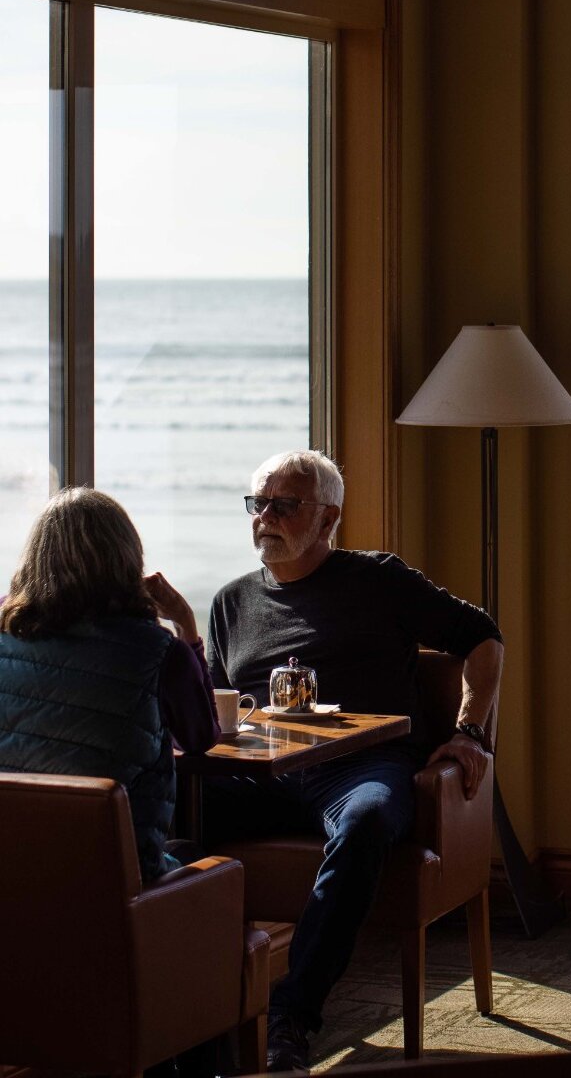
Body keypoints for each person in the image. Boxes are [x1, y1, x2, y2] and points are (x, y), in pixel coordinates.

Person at [205, 450, 504, 1073]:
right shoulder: (231, 603)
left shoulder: (376, 580)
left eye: (284, 506)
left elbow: (481, 636)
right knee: (159, 814)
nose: (266, 517)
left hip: (362, 766)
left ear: (328, 517)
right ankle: (196, 1013)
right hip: (264, 771)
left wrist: (471, 732)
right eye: (257, 504)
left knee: (367, 821)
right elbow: (213, 711)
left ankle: (291, 1015)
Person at [0, 487, 219, 882]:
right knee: (192, 854)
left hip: (14, 871)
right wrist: (186, 624)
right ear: (127, 559)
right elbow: (201, 737)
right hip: (112, 879)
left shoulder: (5, 628)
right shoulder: (159, 653)